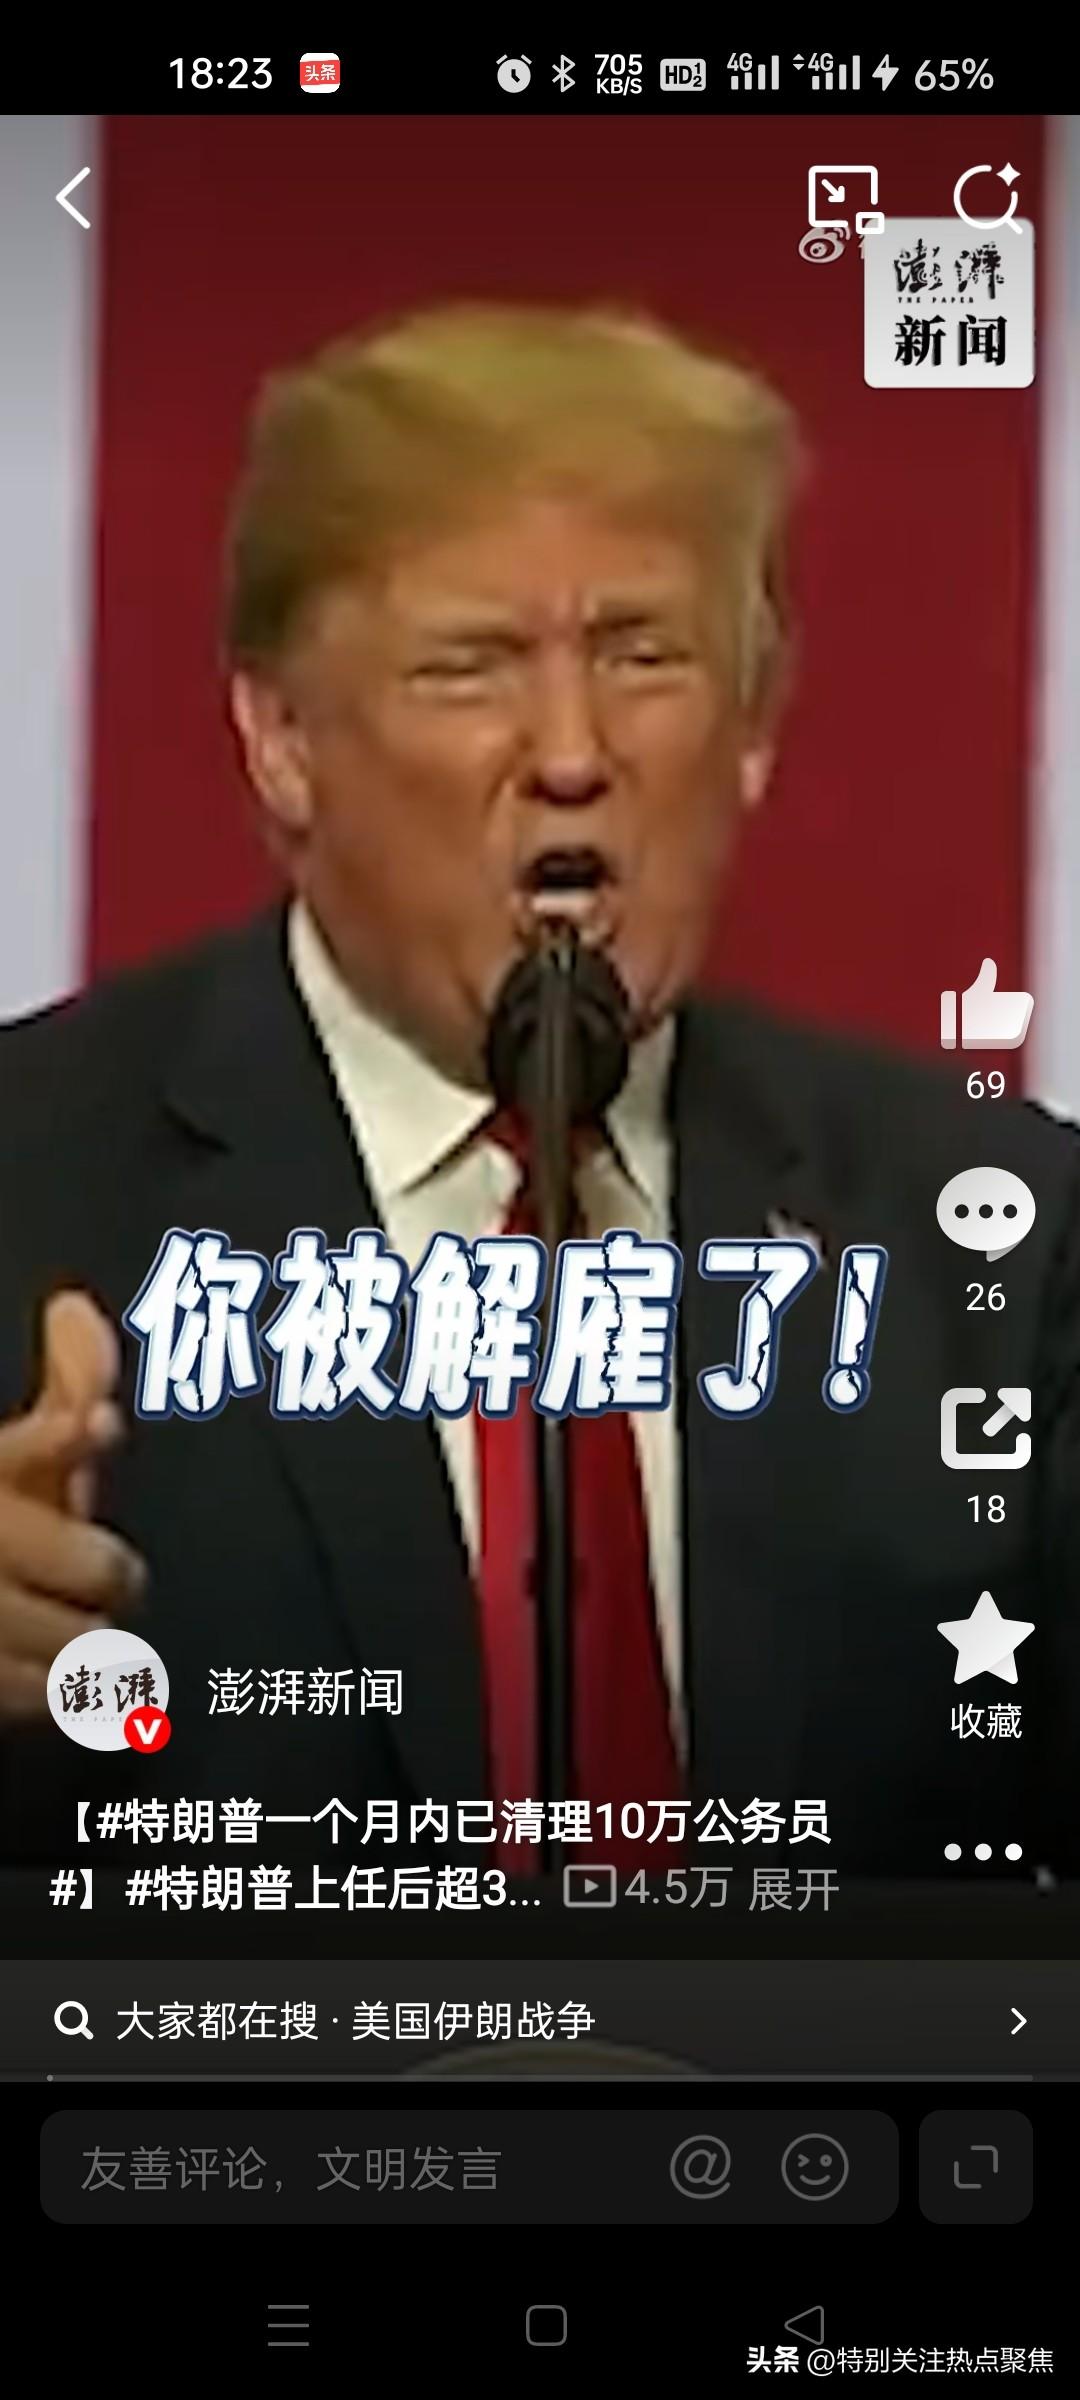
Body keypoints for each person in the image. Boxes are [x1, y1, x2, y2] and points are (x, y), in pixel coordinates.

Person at [1, 302, 1077, 1875]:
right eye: (470, 667)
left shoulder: (997, 1241)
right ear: (282, 738)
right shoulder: (31, 1186)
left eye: (645, 656)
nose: (572, 751)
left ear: (756, 725)